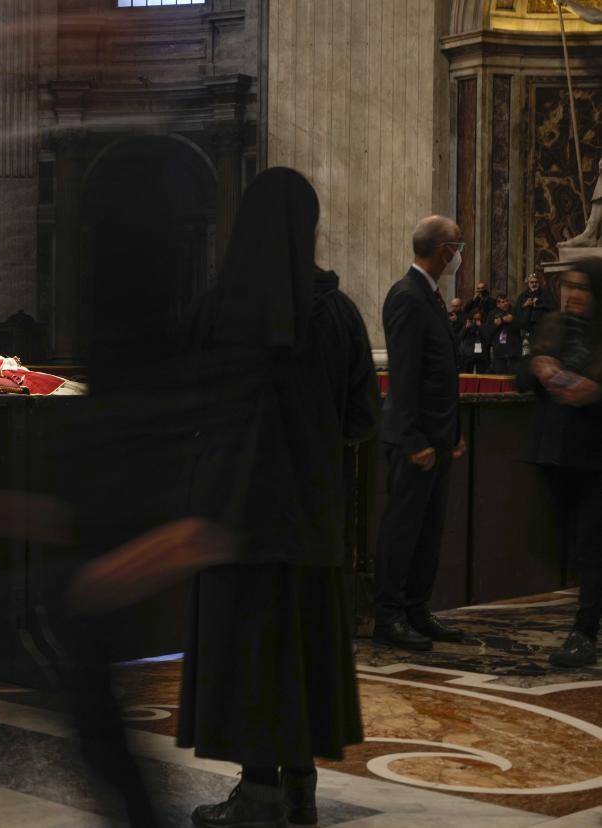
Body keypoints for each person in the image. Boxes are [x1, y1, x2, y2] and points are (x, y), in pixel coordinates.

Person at [179, 168, 379, 828]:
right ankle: (299, 790)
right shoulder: (338, 314)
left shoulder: (215, 310)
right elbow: (360, 421)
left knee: (246, 650)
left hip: (234, 517)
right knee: (302, 652)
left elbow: (187, 410)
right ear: (310, 228)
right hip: (312, 516)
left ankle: (258, 790)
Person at [374, 216, 468, 652]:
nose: (459, 255)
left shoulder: (429, 296)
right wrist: (414, 441)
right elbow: (406, 377)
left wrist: (452, 433)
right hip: (415, 442)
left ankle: (416, 609)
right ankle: (389, 616)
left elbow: (441, 374)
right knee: (403, 531)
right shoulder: (407, 297)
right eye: (457, 246)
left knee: (429, 531)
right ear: (443, 250)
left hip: (438, 439)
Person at [516, 258, 602, 668]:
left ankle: (584, 631)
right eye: (568, 285)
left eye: (582, 287)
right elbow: (524, 378)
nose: (573, 294)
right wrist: (537, 366)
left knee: (590, 545)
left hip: (595, 458)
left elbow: (588, 388)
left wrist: (589, 388)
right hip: (555, 454)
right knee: (568, 544)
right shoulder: (553, 325)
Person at [488, 293, 523, 375]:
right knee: (500, 374)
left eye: (506, 301)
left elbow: (523, 324)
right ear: (498, 304)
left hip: (514, 350)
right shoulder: (492, 314)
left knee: (514, 375)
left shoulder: (514, 311)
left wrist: (513, 321)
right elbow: (487, 331)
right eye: (503, 302)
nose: (505, 303)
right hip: (499, 350)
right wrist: (495, 325)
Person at [517, 272, 555, 345]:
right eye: (532, 282)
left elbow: (553, 307)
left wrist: (538, 305)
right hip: (527, 330)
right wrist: (525, 305)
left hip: (542, 328)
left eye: (536, 282)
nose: (534, 284)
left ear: (539, 283)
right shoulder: (522, 296)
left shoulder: (545, 294)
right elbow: (516, 310)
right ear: (528, 284)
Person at [458, 306, 491, 374]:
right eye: (475, 319)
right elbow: (460, 337)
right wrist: (466, 327)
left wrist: (481, 327)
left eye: (478, 319)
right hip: (469, 353)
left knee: (481, 373)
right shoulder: (468, 325)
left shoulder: (484, 325)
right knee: (468, 373)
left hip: (481, 354)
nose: (476, 321)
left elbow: (488, 337)